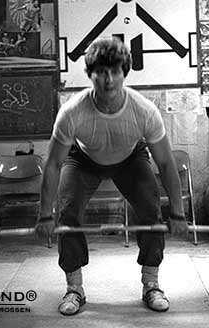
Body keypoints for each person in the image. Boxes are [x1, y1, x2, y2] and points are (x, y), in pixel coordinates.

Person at [35, 37, 189, 315]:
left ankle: (151, 283)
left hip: (130, 159)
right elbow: (53, 165)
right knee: (67, 214)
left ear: (124, 73)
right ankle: (74, 288)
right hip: (83, 160)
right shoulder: (72, 112)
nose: (108, 80)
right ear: (90, 74)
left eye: (115, 72)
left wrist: (177, 213)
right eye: (101, 72)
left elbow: (166, 163)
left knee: (151, 210)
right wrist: (46, 214)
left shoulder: (144, 111)